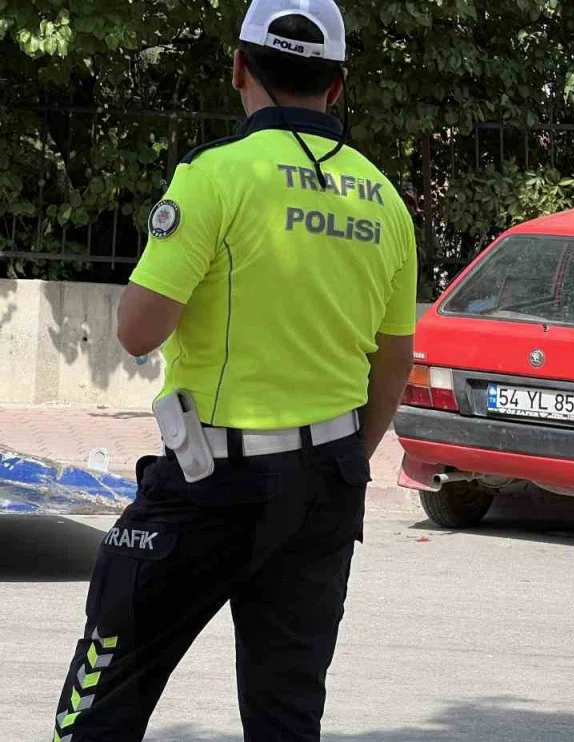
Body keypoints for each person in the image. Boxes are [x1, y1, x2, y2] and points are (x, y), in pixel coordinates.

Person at [48, 0, 417, 739]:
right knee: (287, 714)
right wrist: (343, 460)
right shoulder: (384, 200)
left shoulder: (213, 175)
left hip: (213, 477)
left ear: (239, 68)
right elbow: (393, 364)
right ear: (337, 87)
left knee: (103, 694)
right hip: (329, 482)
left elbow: (135, 332)